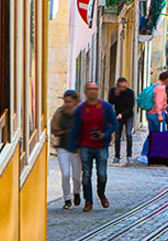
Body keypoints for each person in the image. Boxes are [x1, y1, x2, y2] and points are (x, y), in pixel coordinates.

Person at [66, 82, 118, 212]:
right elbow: (75, 128)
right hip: (85, 146)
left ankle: (101, 193)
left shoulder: (105, 107)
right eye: (90, 89)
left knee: (102, 174)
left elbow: (114, 124)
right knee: (86, 175)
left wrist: (104, 134)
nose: (93, 91)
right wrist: (73, 146)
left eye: (95, 89)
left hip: (101, 145)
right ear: (85, 92)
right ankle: (88, 201)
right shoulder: (80, 109)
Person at [50, 90, 82, 209]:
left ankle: (77, 192)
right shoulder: (60, 112)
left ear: (75, 101)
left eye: (70, 101)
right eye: (66, 101)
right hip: (62, 146)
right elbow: (54, 127)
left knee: (76, 176)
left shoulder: (80, 112)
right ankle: (67, 198)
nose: (67, 104)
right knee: (65, 174)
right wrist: (62, 131)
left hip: (77, 148)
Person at [139, 71, 168, 159]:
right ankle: (156, 155)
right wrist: (160, 114)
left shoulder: (154, 86)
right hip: (157, 115)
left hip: (150, 113)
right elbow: (158, 102)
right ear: (166, 79)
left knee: (152, 134)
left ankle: (145, 154)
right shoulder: (160, 88)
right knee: (160, 135)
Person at [109, 78, 137, 166]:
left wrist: (122, 114)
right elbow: (111, 101)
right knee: (117, 136)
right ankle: (117, 156)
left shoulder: (130, 92)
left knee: (128, 134)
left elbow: (130, 106)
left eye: (124, 86)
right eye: (121, 87)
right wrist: (116, 95)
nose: (122, 88)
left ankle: (129, 155)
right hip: (118, 116)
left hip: (128, 115)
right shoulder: (113, 91)